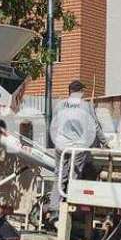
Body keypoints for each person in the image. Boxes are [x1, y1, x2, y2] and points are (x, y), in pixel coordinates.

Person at [48, 80, 110, 220]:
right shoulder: (86, 106)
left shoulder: (59, 105)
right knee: (74, 175)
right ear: (80, 92)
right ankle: (70, 206)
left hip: (61, 146)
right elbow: (95, 126)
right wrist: (104, 143)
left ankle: (54, 208)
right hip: (78, 147)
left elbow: (54, 125)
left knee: (59, 175)